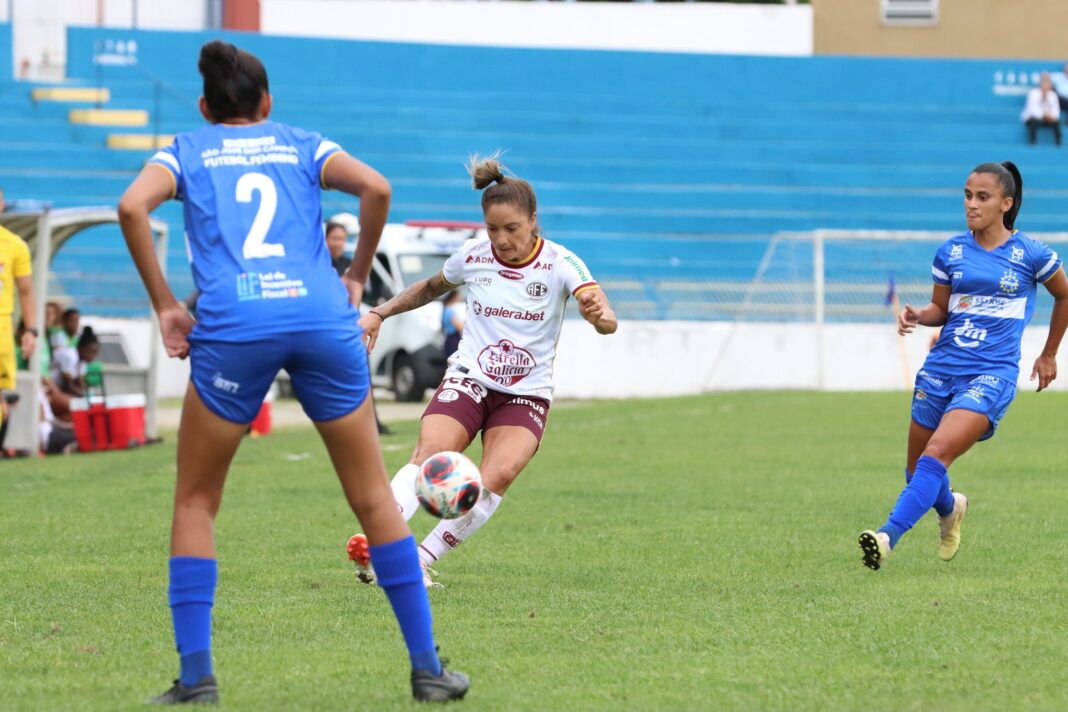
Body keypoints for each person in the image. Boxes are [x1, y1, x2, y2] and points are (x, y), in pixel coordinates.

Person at [117, 40, 467, 704]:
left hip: (236, 325)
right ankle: (428, 670)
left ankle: (196, 679)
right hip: (318, 320)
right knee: (369, 497)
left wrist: (166, 306)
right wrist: (357, 274)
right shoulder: (302, 144)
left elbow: (132, 207)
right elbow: (378, 187)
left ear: (203, 106)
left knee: (196, 501)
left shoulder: (187, 149)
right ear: (267, 102)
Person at [351, 155, 617, 587]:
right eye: (492, 229)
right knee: (430, 456)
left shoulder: (562, 264)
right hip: (469, 379)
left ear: (533, 220)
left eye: (511, 228)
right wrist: (380, 313)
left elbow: (607, 319)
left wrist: (598, 314)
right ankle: (384, 543)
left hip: (525, 394)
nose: (502, 239)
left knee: (496, 477)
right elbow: (429, 288)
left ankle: (420, 558)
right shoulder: (473, 257)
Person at [858, 161, 1068, 571]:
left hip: (992, 373)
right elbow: (943, 308)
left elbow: (1065, 296)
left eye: (983, 197)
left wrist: (1048, 353)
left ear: (1006, 204)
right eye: (968, 195)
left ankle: (886, 537)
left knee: (936, 455)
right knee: (916, 472)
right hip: (941, 367)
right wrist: (920, 314)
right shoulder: (951, 251)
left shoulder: (1031, 253)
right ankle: (951, 507)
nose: (972, 204)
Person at [0, 186, 38, 453]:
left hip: (2, 328)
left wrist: (31, 330)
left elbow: (26, 291)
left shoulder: (15, 246)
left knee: (3, 401)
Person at [1021, 73, 1061, 146]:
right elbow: (1032, 110)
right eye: (1044, 84)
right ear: (1040, 84)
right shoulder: (1033, 93)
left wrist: (1051, 116)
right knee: (1033, 122)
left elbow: (1056, 111)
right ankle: (1032, 143)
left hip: (1049, 119)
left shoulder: (1053, 95)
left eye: (1048, 84)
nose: (1046, 86)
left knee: (1057, 122)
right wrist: (1044, 115)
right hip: (1035, 119)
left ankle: (1058, 143)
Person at [440, 290, 465, 358]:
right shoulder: (450, 311)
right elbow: (459, 327)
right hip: (453, 341)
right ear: (454, 297)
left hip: (449, 339)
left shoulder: (445, 308)